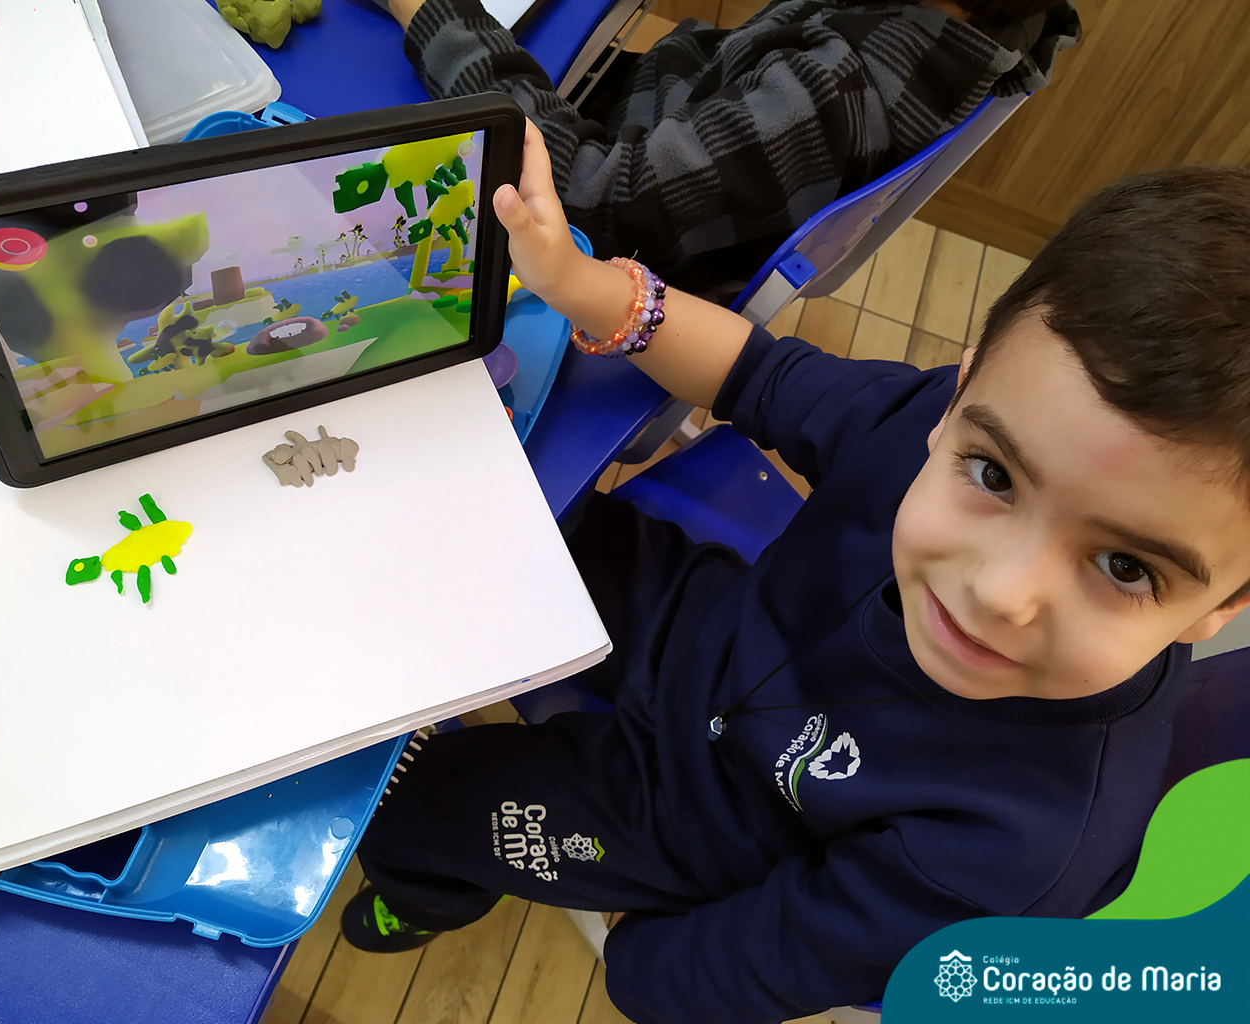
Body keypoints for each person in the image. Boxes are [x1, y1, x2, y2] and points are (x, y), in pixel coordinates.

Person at [341, 122, 1250, 1024]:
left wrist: (638, 958)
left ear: (1229, 605)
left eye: (1125, 566)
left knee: (410, 812)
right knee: (482, 526)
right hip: (703, 625)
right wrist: (577, 284)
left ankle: (424, 895)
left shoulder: (1015, 852)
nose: (1000, 593)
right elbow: (760, 375)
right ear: (958, 400)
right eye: (993, 476)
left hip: (692, 825)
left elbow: (741, 965)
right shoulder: (928, 419)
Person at [380, 0, 1080, 304]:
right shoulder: (990, 23)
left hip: (612, 232)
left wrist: (433, 14)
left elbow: (592, 197)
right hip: (669, 119)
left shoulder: (835, 91)